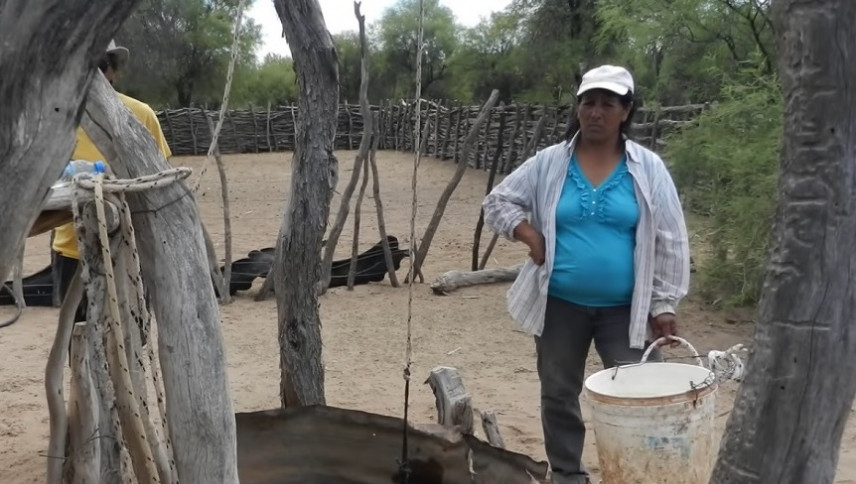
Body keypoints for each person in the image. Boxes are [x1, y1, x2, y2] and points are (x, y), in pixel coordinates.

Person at [482, 65, 690, 484]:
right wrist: (530, 236)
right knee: (558, 393)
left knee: (640, 394)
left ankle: (638, 474)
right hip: (560, 304)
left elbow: (670, 237)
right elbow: (497, 201)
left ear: (626, 111)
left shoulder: (647, 168)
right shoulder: (550, 162)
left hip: (626, 310)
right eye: (588, 102)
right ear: (578, 109)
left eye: (607, 104)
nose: (595, 112)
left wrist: (664, 303)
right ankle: (568, 475)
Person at [51, 39, 172, 320]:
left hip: (132, 247)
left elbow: (161, 182)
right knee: (79, 338)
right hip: (73, 249)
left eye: (101, 65)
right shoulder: (56, 120)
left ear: (112, 71)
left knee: (131, 339)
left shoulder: (141, 115)